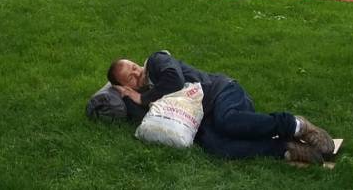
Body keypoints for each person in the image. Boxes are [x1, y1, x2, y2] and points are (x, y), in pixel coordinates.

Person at [108, 51, 334, 165]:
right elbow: (143, 120)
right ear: (125, 86)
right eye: (130, 77)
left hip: (222, 92)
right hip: (204, 118)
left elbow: (175, 81)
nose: (138, 73)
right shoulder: (143, 99)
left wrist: (142, 97)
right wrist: (128, 97)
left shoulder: (157, 62)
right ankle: (286, 148)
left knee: (228, 121)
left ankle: (297, 126)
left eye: (134, 67)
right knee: (217, 146)